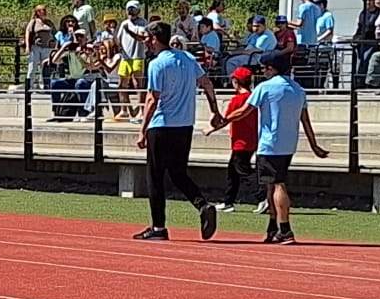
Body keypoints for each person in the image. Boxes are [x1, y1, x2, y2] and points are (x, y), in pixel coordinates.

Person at [220, 54, 327, 244]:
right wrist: (313, 144)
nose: (263, 71)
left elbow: (245, 110)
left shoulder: (265, 87)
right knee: (271, 184)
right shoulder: (298, 90)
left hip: (270, 143)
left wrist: (222, 120)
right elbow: (305, 120)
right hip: (288, 143)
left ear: (272, 68)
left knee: (278, 184)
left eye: (265, 67)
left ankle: (285, 228)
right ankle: (273, 227)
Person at [133, 20, 223, 241]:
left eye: (147, 37)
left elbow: (152, 99)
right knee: (178, 172)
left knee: (155, 177)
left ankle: (158, 227)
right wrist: (215, 110)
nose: (146, 41)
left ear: (154, 38)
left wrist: (142, 130)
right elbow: (207, 83)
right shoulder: (188, 58)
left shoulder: (156, 63)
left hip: (162, 125)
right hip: (184, 126)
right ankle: (202, 205)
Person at [215, 67, 263, 213]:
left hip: (241, 141)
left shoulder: (237, 100)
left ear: (236, 82)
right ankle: (228, 201)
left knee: (243, 170)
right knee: (233, 171)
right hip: (250, 139)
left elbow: (226, 119)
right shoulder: (253, 97)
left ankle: (263, 196)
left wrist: (211, 128)